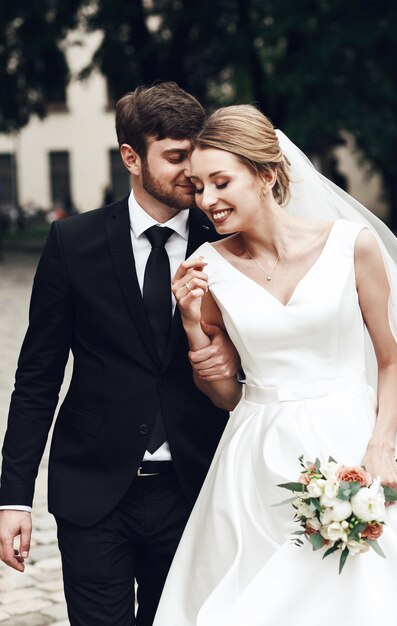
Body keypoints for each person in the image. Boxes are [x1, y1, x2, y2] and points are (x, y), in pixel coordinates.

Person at [153, 104, 397, 625]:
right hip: (256, 461)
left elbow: (392, 364)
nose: (207, 200)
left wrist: (381, 446)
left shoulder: (351, 247)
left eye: (221, 182)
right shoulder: (207, 272)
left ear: (267, 175)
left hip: (352, 446)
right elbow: (225, 396)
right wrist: (189, 321)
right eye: (199, 186)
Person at [0, 83, 240, 626]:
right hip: (92, 490)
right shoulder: (71, 242)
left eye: (195, 155)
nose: (191, 173)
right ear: (131, 158)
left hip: (194, 488)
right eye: (175, 158)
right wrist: (13, 497)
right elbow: (37, 376)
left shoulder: (227, 242)